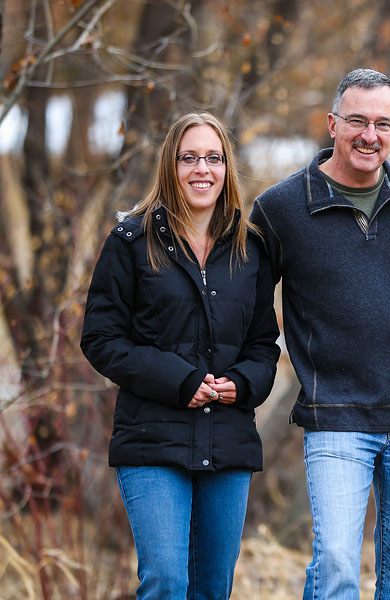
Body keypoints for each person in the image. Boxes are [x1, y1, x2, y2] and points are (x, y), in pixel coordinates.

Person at [250, 69, 390, 600]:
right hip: (335, 416)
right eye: (357, 120)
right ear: (332, 123)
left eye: (383, 124)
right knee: (336, 566)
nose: (369, 135)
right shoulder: (281, 208)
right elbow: (242, 301)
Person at [80, 112, 280, 599]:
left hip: (228, 438)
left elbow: (263, 345)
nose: (201, 170)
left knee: (213, 588)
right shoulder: (130, 241)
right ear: (170, 166)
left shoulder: (249, 249)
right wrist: (181, 380)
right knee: (167, 581)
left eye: (213, 158)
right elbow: (101, 339)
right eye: (188, 158)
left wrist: (246, 382)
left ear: (227, 168)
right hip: (152, 437)